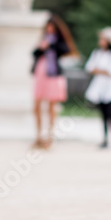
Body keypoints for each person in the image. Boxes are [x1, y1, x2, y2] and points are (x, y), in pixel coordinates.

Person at [31, 15, 78, 149]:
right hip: (41, 73)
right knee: (37, 106)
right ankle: (39, 136)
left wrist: (50, 46)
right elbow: (34, 53)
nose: (49, 29)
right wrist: (42, 48)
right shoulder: (43, 40)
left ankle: (50, 136)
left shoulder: (57, 42)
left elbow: (66, 50)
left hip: (53, 75)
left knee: (51, 107)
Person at [84, 27, 111, 149]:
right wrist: (103, 71)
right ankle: (106, 139)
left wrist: (98, 70)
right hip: (100, 89)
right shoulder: (97, 53)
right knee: (103, 114)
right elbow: (89, 68)